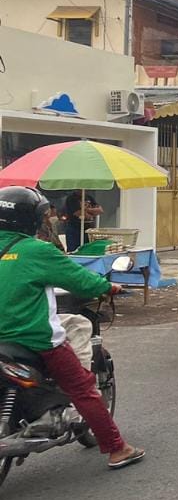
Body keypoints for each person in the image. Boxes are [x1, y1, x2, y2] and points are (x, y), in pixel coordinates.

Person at [0, 187, 145, 469]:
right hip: (32, 339)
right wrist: (108, 286)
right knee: (82, 388)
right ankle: (117, 449)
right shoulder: (36, 250)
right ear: (28, 220)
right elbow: (80, 280)